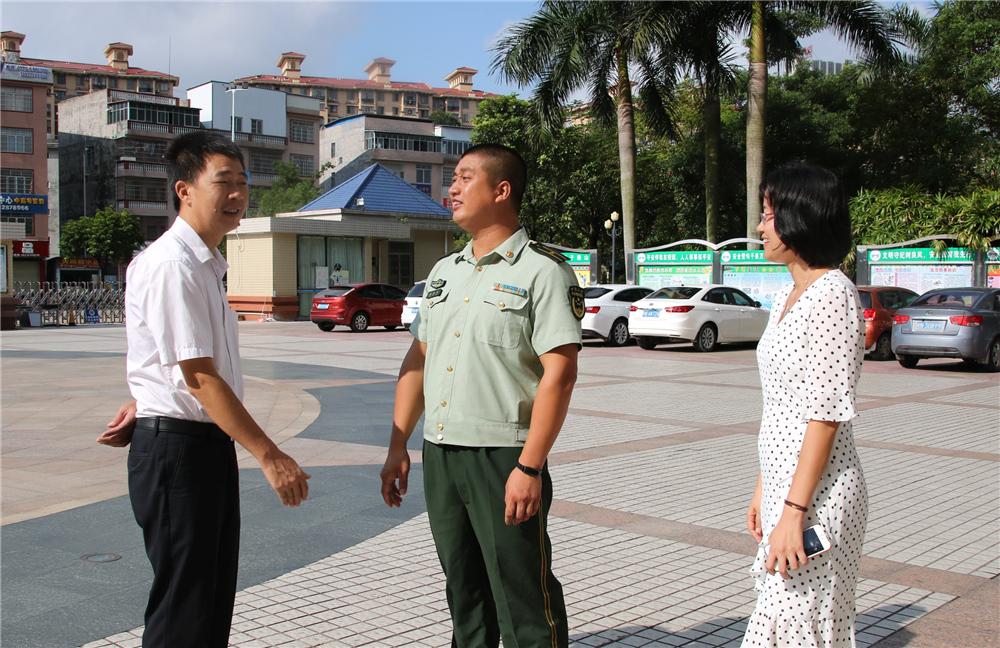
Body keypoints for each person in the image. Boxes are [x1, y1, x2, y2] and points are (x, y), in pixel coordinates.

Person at [97, 131, 311, 648]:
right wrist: (270, 454)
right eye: (223, 182)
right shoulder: (174, 264)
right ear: (184, 190)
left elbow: (172, 364)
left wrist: (147, 398)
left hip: (198, 446)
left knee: (209, 600)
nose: (236, 194)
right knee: (184, 607)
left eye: (243, 183)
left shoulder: (206, 263)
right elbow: (199, 377)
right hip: (179, 452)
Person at [379, 143, 583, 648]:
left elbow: (560, 375)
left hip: (504, 457)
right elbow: (418, 359)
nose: (452, 188)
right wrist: (397, 443)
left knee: (521, 594)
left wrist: (530, 467)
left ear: (501, 190)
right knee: (464, 591)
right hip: (443, 453)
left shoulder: (543, 271)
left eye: (464, 177)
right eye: (453, 177)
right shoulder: (445, 272)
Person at [742, 164, 867, 647]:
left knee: (802, 625)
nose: (760, 227)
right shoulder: (786, 295)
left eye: (770, 214)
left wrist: (794, 510)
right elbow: (782, 404)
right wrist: (763, 486)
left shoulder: (833, 294)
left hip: (818, 497)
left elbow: (826, 413)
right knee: (782, 620)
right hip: (785, 486)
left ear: (802, 218)